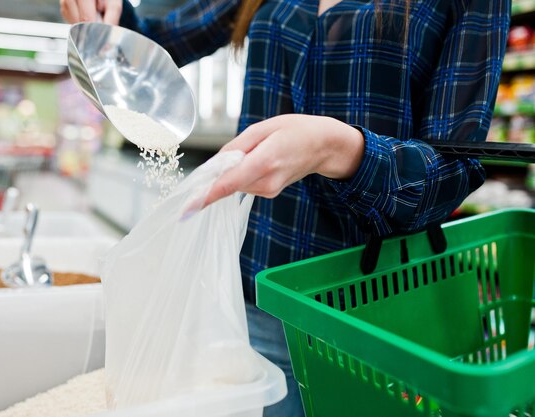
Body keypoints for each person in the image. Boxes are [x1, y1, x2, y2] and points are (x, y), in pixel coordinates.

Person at [61, 1, 510, 415]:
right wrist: (109, 18)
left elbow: (452, 168)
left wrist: (339, 150)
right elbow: (156, 46)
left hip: (377, 308)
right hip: (259, 291)